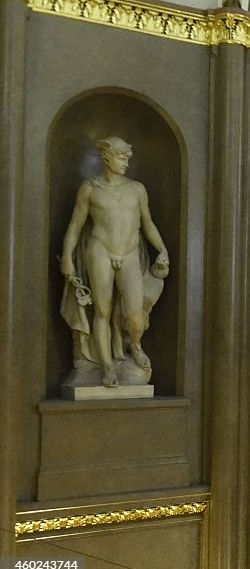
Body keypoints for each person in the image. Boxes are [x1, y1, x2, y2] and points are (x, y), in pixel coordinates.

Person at [60, 136, 170, 387]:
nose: (126, 163)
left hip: (129, 253)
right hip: (100, 251)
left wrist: (161, 249)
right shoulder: (90, 188)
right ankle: (107, 366)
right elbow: (76, 226)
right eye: (121, 157)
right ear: (106, 157)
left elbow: (148, 223)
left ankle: (137, 345)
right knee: (102, 311)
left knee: (135, 314)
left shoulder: (136, 188)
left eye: (127, 158)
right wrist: (67, 257)